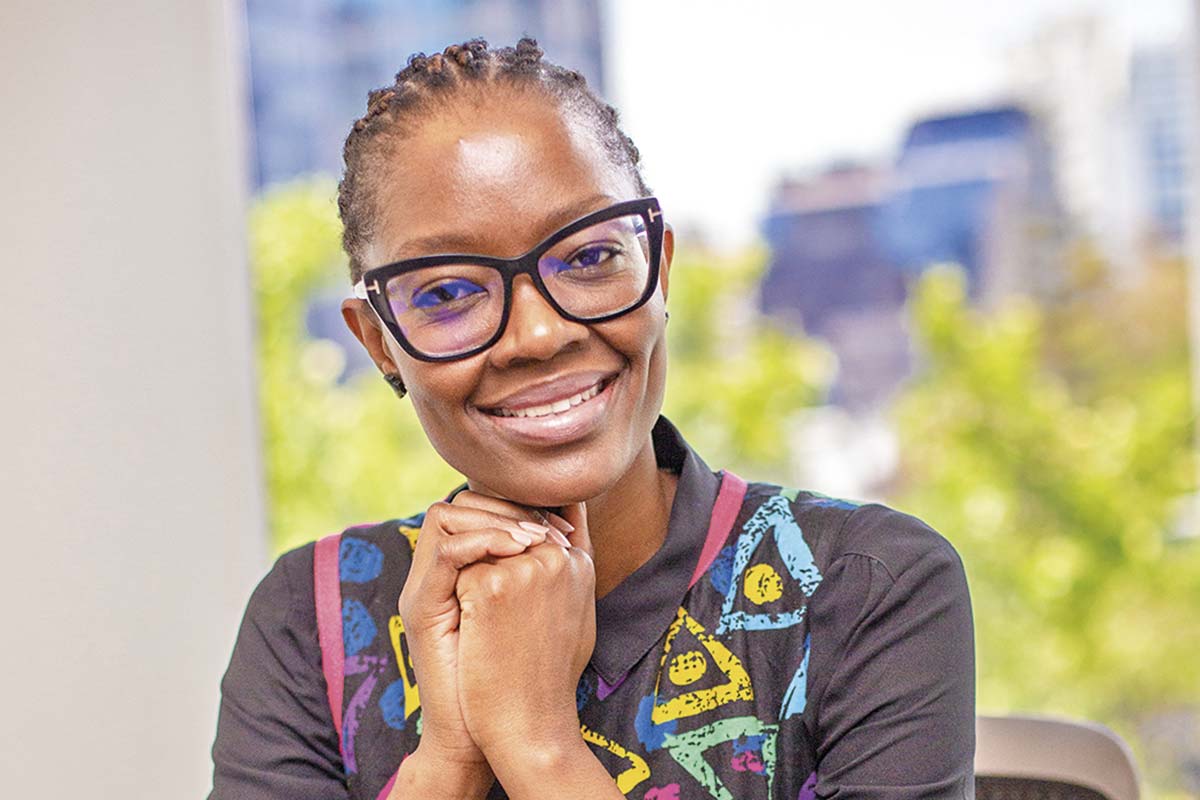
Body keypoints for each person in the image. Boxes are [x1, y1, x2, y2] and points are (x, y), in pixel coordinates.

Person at [210, 38, 975, 800]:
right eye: (447, 293)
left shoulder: (864, 589)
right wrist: (450, 759)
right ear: (378, 342)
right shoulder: (315, 626)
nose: (540, 336)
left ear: (659, 269)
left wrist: (537, 744)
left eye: (588, 258)